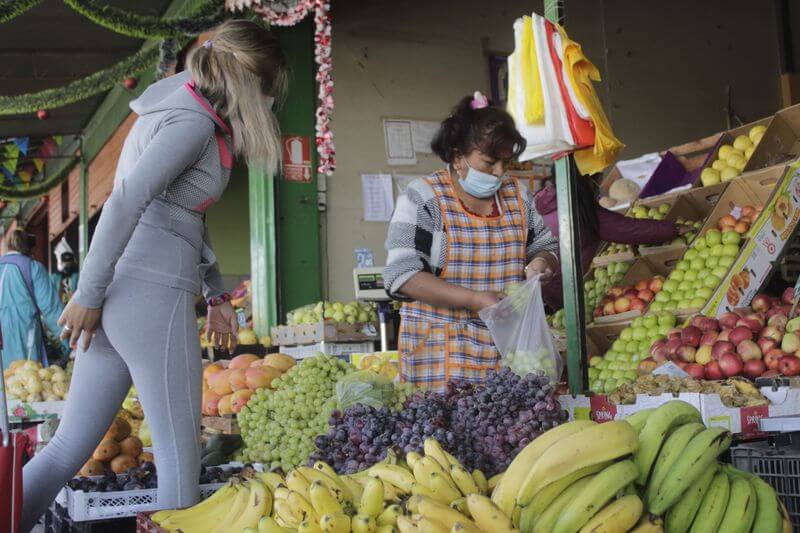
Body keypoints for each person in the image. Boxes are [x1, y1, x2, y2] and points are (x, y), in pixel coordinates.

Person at [21, 20, 287, 530]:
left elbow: (183, 215)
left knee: (65, 449)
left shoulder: (179, 107)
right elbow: (125, 202)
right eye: (270, 88)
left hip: (127, 295)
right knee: (178, 456)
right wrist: (88, 292)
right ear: (251, 81)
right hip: (149, 293)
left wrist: (216, 293)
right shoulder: (191, 125)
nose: (271, 101)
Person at [384, 92, 559, 391]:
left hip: (508, 354)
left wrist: (542, 262)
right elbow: (402, 277)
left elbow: (546, 246)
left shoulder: (517, 196)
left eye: (506, 162)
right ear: (457, 157)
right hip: (439, 358)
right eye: (490, 163)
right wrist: (475, 300)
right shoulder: (423, 198)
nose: (500, 172)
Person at [534, 159, 688, 310]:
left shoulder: (544, 201)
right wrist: (674, 229)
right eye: (598, 177)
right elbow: (630, 230)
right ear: (586, 181)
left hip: (536, 291)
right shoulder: (583, 214)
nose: (600, 182)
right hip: (558, 295)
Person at [0, 229, 67, 368]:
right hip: (24, 332)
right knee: (26, 379)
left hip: (2, 334)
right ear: (28, 247)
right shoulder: (32, 267)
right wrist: (70, 341)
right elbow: (51, 310)